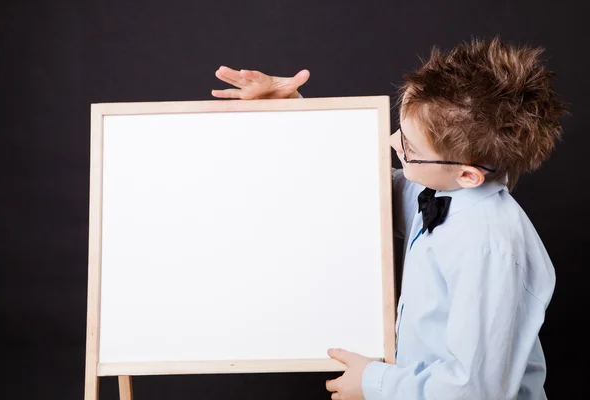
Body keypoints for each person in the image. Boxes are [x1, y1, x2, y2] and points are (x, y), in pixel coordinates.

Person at [212, 36, 568, 400]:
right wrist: (296, 109)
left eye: (409, 147)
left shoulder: (489, 248)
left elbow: (476, 390)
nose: (394, 143)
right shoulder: (443, 190)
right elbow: (368, 187)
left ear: (468, 175)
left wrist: (374, 382)